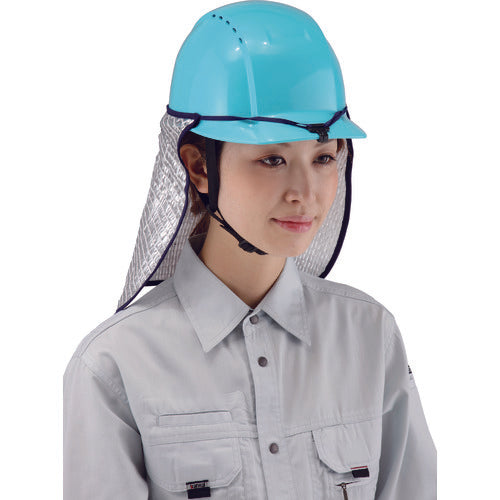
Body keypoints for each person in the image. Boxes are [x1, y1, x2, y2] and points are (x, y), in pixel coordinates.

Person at [63, 1, 437, 499]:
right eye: (272, 159)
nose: (305, 192)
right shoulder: (116, 365)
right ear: (199, 167)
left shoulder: (370, 337)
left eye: (324, 157)